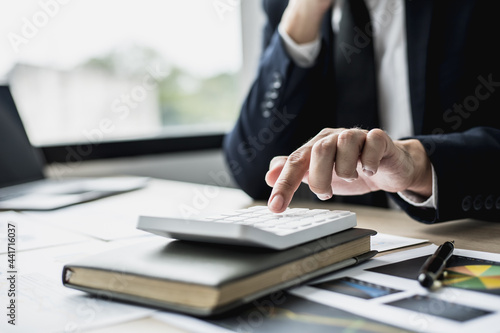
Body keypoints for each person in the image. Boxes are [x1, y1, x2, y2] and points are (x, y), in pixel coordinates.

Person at [223, 0, 500, 223]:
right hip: (356, 250)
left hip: (468, 236)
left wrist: (419, 166)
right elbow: (256, 173)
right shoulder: (282, 6)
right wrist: (302, 13)